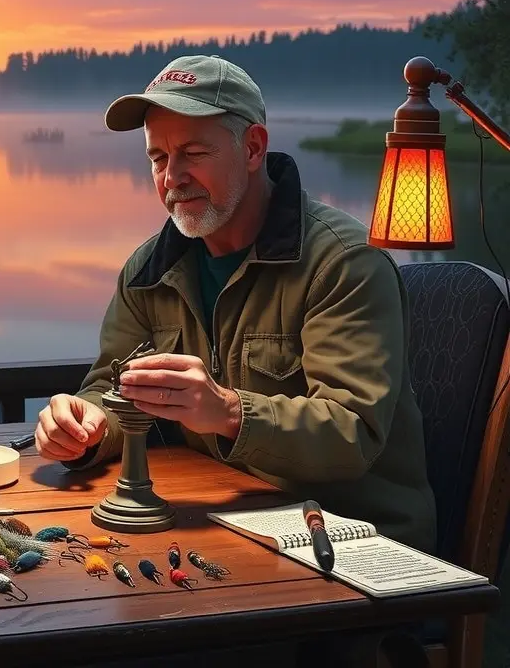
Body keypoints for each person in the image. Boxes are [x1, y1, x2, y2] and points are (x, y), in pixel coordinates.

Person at [33, 54, 437, 555]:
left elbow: (352, 434)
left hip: (355, 547)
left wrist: (228, 412)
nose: (172, 177)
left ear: (252, 148)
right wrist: (86, 426)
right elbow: (108, 390)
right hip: (227, 526)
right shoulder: (146, 272)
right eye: (158, 157)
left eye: (193, 153)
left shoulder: (345, 263)